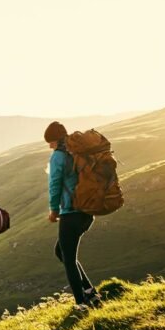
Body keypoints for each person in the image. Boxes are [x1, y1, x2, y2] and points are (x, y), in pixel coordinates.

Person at [44, 122, 102, 311]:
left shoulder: (58, 157)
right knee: (61, 251)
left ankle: (81, 303)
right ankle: (89, 292)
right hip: (87, 211)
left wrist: (54, 209)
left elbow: (54, 184)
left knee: (68, 258)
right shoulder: (78, 152)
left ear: (54, 140)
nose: (50, 146)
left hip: (71, 213)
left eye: (50, 142)